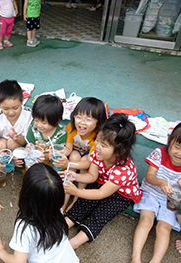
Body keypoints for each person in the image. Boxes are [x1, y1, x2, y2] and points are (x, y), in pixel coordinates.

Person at [63, 113, 142, 249]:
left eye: (103, 144)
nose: (97, 146)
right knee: (84, 201)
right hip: (102, 182)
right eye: (97, 140)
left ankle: (73, 243)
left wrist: (76, 191)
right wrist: (75, 177)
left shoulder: (124, 170)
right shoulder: (97, 153)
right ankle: (62, 226)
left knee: (102, 213)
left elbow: (101, 194)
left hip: (122, 194)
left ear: (119, 151)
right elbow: (92, 176)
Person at [0, 163, 79, 262]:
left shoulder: (24, 227)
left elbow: (18, 262)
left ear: (26, 195)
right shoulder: (56, 209)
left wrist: (0, 251)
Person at [131, 122, 181, 263]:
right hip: (151, 192)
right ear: (169, 140)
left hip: (172, 199)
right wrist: (161, 182)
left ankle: (155, 261)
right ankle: (136, 257)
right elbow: (149, 177)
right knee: (146, 220)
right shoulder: (159, 153)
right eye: (177, 147)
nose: (179, 153)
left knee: (164, 228)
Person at [57, 97, 107, 210]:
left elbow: (89, 162)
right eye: (78, 117)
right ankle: (65, 198)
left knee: (83, 162)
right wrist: (60, 152)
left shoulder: (97, 138)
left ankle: (76, 198)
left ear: (98, 122)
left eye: (88, 119)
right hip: (75, 155)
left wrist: (68, 164)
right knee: (74, 155)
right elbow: (68, 149)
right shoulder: (71, 128)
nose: (82, 122)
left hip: (88, 161)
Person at [0, 80, 32, 166]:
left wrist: (17, 138)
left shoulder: (29, 115)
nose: (11, 112)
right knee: (0, 144)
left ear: (22, 100)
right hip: (4, 143)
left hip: (20, 144)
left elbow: (27, 140)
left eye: (15, 108)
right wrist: (2, 155)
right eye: (6, 109)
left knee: (11, 142)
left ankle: (9, 165)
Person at [26, 94, 66, 164]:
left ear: (57, 121)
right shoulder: (33, 129)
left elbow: (56, 155)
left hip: (53, 163)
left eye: (44, 123)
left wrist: (45, 157)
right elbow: (30, 146)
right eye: (36, 120)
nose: (39, 125)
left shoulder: (61, 134)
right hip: (35, 160)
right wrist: (29, 148)